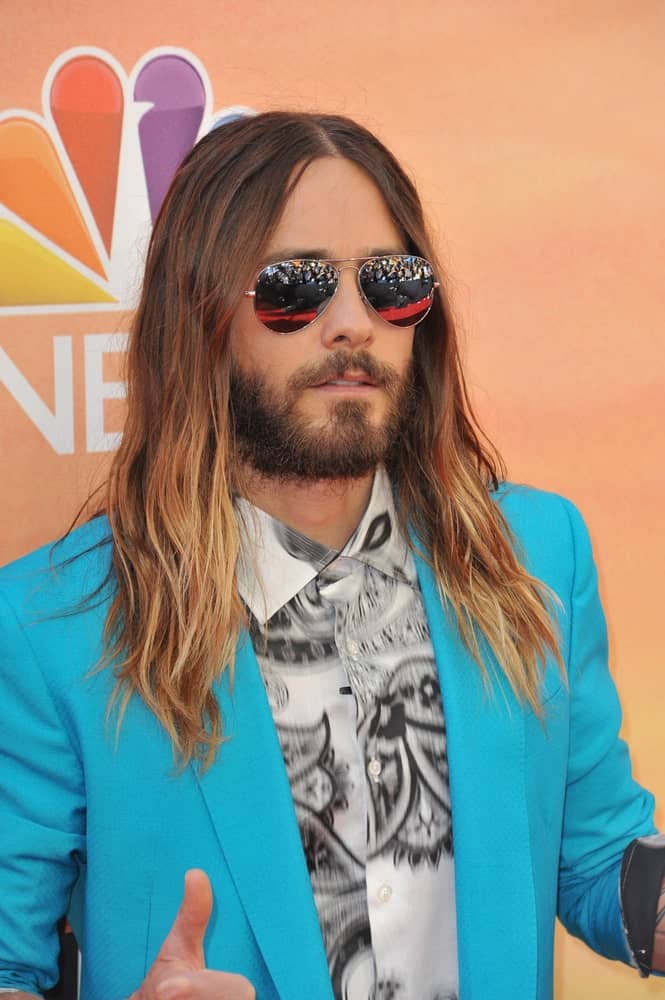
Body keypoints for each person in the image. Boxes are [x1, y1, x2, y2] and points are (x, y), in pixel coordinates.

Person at [0, 112, 663, 1000]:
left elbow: (592, 857)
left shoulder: (537, 559)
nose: (352, 322)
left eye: (390, 282)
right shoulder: (53, 632)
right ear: (198, 316)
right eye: (294, 286)